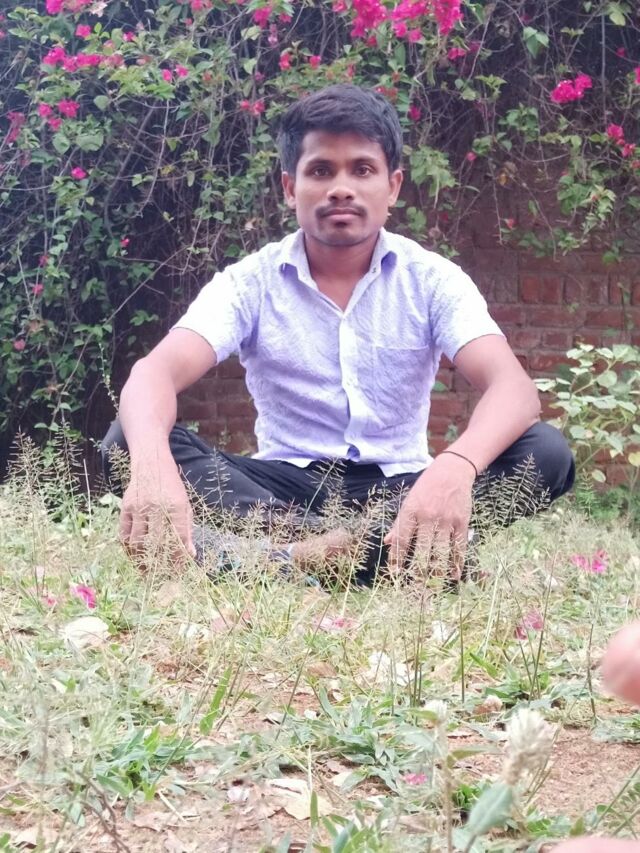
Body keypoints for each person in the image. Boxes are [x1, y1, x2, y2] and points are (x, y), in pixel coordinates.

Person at [101, 83, 574, 580]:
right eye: (321, 170)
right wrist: (153, 467)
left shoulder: (432, 280)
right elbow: (154, 374)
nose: (341, 188)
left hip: (402, 489)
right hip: (280, 492)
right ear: (290, 188)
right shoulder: (250, 282)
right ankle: (358, 552)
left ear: (393, 187)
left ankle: (279, 559)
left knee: (545, 452)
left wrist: (454, 468)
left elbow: (514, 389)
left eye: (362, 170)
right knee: (128, 441)